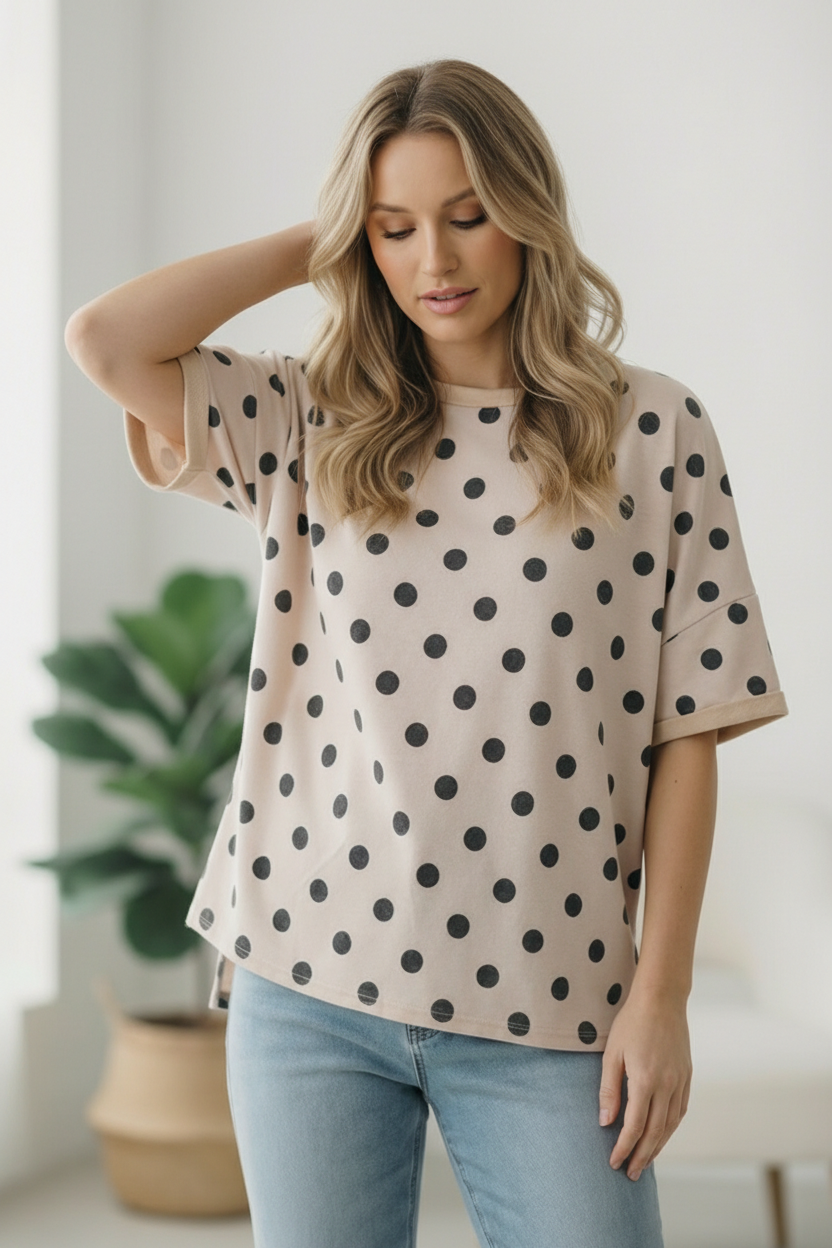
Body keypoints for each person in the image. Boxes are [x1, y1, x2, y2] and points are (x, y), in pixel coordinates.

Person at [66, 58, 787, 1248]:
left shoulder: (655, 431)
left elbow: (689, 736)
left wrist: (659, 996)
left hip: (554, 999)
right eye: (396, 229)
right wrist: (329, 235)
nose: (435, 262)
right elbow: (105, 341)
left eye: (467, 216)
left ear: (527, 213)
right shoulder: (308, 416)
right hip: (306, 982)